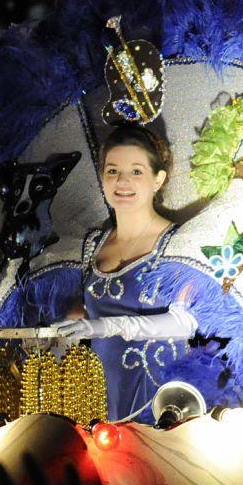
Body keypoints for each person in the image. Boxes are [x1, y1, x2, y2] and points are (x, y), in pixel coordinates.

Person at [54, 126, 197, 421]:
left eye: (136, 171)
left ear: (158, 179)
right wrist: (64, 329)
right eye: (112, 171)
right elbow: (83, 312)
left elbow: (185, 323)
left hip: (162, 403)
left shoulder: (178, 244)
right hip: (99, 404)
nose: (122, 181)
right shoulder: (92, 244)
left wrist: (106, 326)